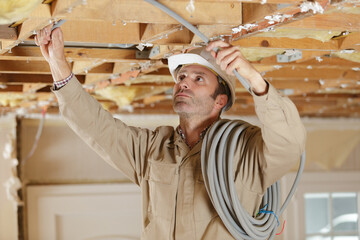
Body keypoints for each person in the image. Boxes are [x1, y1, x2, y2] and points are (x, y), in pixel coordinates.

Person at [35, 25, 306, 240]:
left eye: (198, 79)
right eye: (181, 77)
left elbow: (289, 143)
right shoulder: (153, 148)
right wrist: (57, 62)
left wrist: (254, 77)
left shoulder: (246, 151)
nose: (184, 83)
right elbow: (97, 128)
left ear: (219, 100)